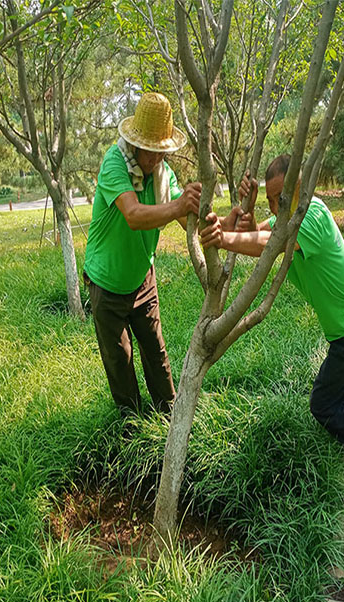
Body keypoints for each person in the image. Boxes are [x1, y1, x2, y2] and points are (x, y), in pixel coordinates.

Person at [201, 154, 344, 485]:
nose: (275, 206)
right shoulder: (289, 217)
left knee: (325, 403)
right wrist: (246, 211)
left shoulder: (311, 216)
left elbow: (270, 244)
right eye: (270, 199)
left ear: (300, 186)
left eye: (280, 197)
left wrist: (223, 240)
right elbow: (259, 236)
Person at [83, 92, 201, 415]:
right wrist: (179, 205)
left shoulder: (163, 175)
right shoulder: (114, 164)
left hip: (141, 279)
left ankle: (170, 417)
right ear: (135, 144)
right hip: (106, 283)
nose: (154, 159)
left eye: (161, 151)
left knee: (157, 355)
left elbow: (185, 217)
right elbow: (134, 215)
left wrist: (215, 221)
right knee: (120, 362)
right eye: (149, 150)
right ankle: (131, 426)